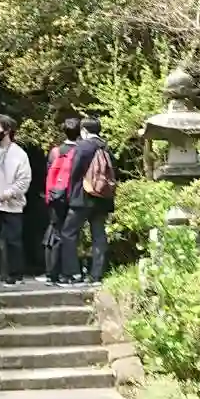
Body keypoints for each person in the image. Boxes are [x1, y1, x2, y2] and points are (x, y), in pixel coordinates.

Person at [59, 117, 115, 285]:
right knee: (98, 235)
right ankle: (97, 275)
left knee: (68, 233)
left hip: (82, 197)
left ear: (84, 130)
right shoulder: (106, 146)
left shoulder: (82, 146)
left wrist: (69, 194)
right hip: (102, 198)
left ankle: (72, 273)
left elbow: (74, 172)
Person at [0, 114, 32, 285]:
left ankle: (15, 274)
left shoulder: (20, 154)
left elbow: (24, 180)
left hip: (12, 204)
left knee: (13, 241)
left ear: (7, 130)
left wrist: (10, 192)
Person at [41, 118, 82, 284]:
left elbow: (49, 173)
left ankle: (52, 272)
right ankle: (68, 272)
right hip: (74, 198)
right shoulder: (80, 151)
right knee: (71, 235)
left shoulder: (56, 151)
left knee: (55, 233)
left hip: (56, 197)